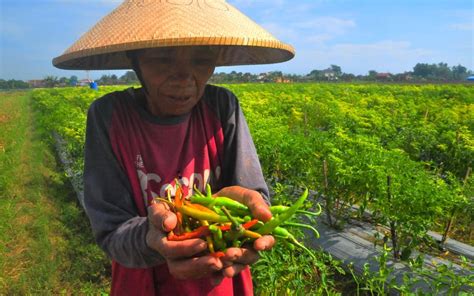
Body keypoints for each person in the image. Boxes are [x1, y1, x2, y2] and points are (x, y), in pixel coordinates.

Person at [53, 1, 294, 295]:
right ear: (136, 60)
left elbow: (255, 200)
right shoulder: (110, 117)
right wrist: (152, 238)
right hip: (141, 284)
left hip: (220, 281)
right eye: (163, 59)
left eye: (201, 59)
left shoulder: (222, 107)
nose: (183, 77)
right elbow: (111, 230)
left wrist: (251, 215)